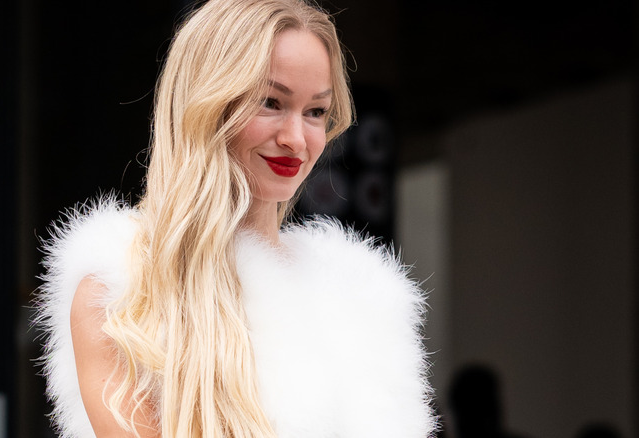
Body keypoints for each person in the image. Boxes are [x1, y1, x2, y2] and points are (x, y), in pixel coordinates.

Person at [36, 0, 435, 437]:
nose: (296, 139)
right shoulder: (122, 295)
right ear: (207, 103)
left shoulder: (362, 296)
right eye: (270, 102)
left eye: (315, 111)